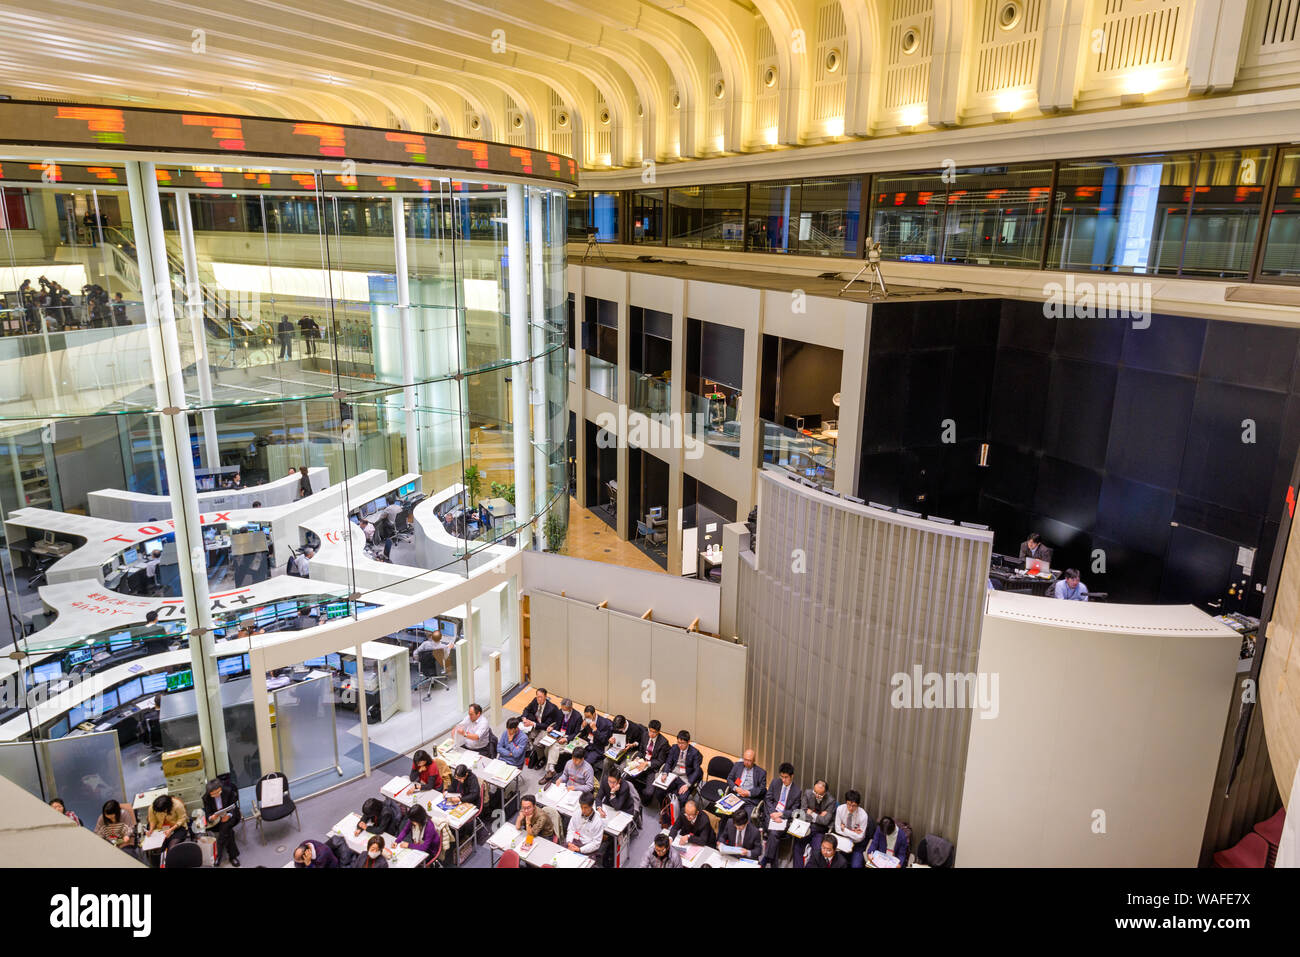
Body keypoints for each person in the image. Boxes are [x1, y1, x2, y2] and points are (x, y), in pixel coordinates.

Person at [761, 762, 800, 866]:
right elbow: (768, 799)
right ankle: (773, 863)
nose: (783, 780)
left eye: (786, 777)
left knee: (773, 834)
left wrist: (781, 815)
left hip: (783, 819)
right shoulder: (775, 782)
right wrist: (773, 813)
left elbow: (794, 811)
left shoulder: (797, 791)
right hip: (771, 814)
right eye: (781, 777)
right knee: (774, 834)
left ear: (792, 776)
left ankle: (767, 858)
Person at [539, 698, 583, 782]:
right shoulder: (560, 712)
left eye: (565, 709)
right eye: (562, 709)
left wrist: (566, 738)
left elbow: (576, 733)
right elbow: (557, 724)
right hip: (558, 734)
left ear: (570, 708)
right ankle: (551, 767)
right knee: (547, 743)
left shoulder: (577, 717)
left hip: (567, 737)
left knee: (554, 747)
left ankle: (551, 771)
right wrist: (552, 728)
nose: (563, 711)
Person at [794, 779, 835, 868]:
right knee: (797, 845)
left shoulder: (831, 801)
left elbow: (825, 821)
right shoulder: (808, 793)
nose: (816, 795)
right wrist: (819, 816)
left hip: (820, 831)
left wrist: (812, 813)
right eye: (815, 792)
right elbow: (803, 811)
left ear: (825, 793)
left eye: (819, 794)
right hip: (806, 826)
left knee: (817, 850)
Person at [201, 777, 241, 867]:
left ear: (221, 788)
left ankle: (219, 856)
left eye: (218, 793)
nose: (216, 795)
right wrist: (212, 817)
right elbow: (208, 813)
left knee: (225, 827)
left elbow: (234, 808)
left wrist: (228, 816)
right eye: (213, 794)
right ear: (209, 793)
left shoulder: (228, 791)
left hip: (230, 816)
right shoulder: (206, 798)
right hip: (217, 821)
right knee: (228, 832)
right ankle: (233, 856)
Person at [659, 730, 703, 802]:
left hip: (685, 778)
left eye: (682, 743)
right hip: (673, 775)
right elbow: (668, 762)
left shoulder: (694, 753)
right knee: (659, 791)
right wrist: (665, 773)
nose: (680, 745)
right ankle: (664, 810)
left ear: (688, 742)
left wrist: (688, 785)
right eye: (678, 742)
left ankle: (676, 812)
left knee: (682, 798)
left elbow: (696, 770)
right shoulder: (674, 748)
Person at [145, 793, 187, 865]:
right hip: (160, 829)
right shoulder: (153, 807)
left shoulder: (177, 805)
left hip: (177, 828)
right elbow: (152, 820)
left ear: (167, 808)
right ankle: (157, 865)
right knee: (155, 850)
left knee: (172, 848)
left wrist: (171, 829)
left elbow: (182, 819)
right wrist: (151, 829)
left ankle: (172, 865)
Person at [634, 719, 671, 800]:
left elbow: (660, 761)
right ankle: (634, 794)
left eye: (654, 732)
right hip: (641, 762)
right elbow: (641, 750)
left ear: (658, 732)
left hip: (652, 768)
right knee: (626, 777)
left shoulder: (663, 742)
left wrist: (647, 764)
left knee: (649, 792)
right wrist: (637, 758)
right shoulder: (645, 735)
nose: (651, 734)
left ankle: (642, 798)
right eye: (650, 731)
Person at [835, 789, 872, 868]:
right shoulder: (840, 809)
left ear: (858, 805)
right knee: (838, 863)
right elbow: (837, 829)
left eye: (854, 805)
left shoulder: (863, 815)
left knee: (856, 865)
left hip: (858, 844)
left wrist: (845, 829)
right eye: (848, 804)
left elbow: (860, 837)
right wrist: (853, 832)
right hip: (843, 840)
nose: (851, 808)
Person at [726, 749, 767, 817]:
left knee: (745, 817)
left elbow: (762, 789)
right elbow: (729, 779)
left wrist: (749, 793)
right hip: (735, 796)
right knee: (725, 814)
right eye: (745, 759)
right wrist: (736, 788)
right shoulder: (737, 765)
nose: (747, 762)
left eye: (749, 760)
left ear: (754, 760)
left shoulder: (761, 773)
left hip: (749, 800)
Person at [563, 793, 604, 860]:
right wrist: (569, 842)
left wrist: (580, 849)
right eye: (581, 807)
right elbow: (571, 829)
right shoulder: (576, 813)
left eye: (585, 808)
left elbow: (596, 843)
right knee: (562, 856)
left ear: (591, 806)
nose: (583, 810)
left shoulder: (598, 822)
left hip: (586, 846)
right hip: (573, 841)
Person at [575, 704, 612, 772]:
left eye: (588, 716)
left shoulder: (604, 723)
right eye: (586, 717)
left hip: (597, 749)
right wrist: (582, 727)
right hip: (587, 745)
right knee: (576, 757)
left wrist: (595, 730)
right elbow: (583, 733)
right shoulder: (586, 720)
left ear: (594, 714)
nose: (587, 718)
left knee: (585, 764)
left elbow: (604, 741)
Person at [520, 686, 559, 752]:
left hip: (544, 728)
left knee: (536, 743)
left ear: (546, 697)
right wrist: (524, 718)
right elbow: (526, 709)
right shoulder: (535, 700)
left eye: (541, 697)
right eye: (537, 696)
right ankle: (529, 751)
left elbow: (546, 725)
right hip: (536, 723)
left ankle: (540, 757)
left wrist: (532, 723)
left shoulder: (552, 709)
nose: (539, 699)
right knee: (524, 736)